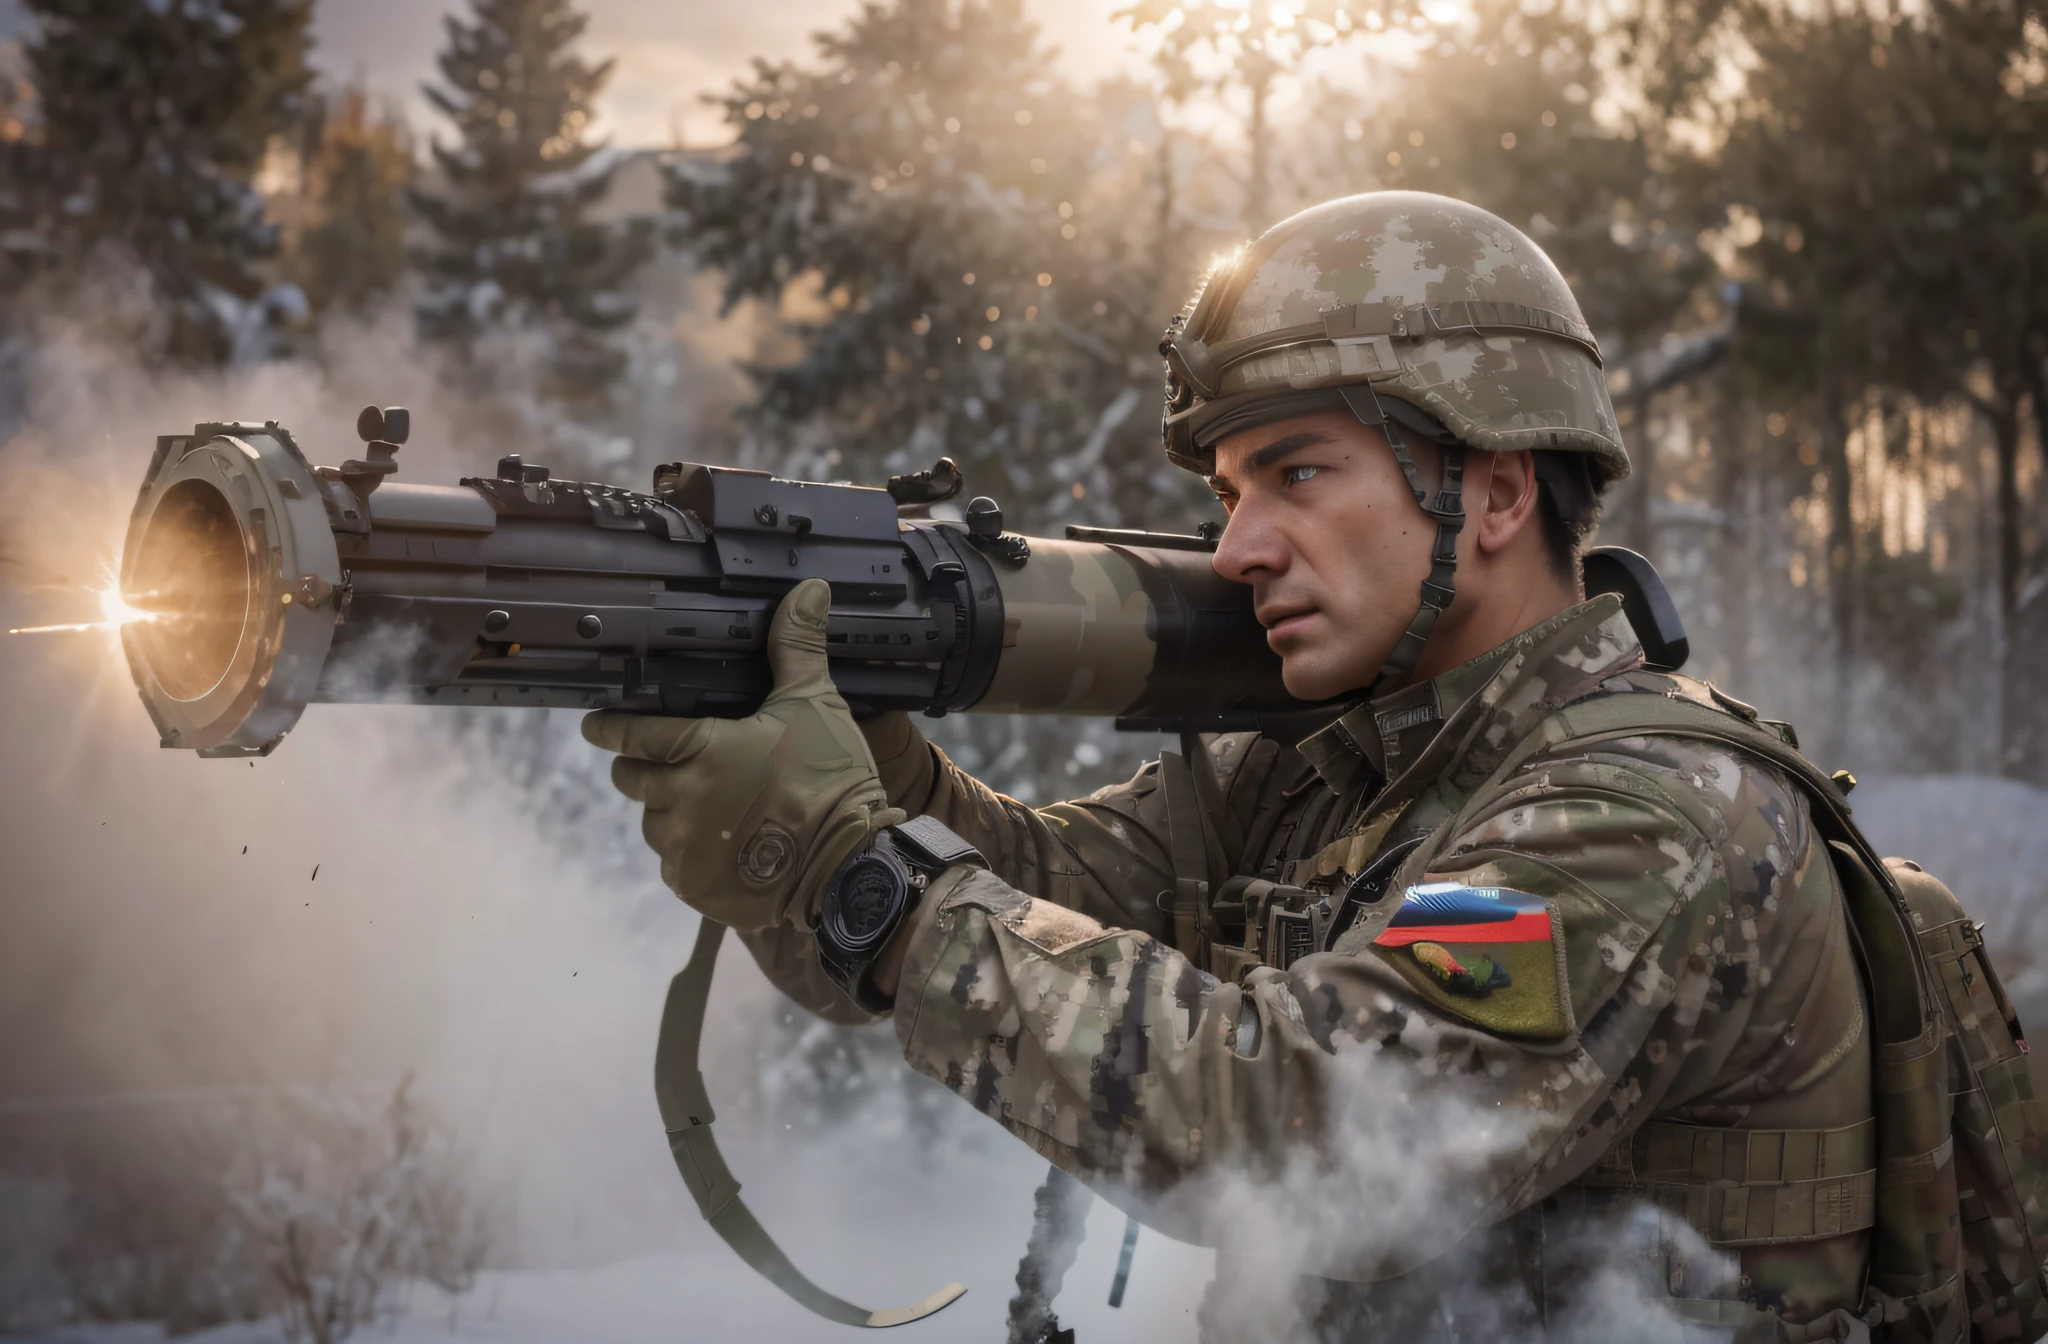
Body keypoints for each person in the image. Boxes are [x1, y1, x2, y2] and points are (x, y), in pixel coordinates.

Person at [583, 193, 1875, 1341]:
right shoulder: (1328, 773)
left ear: (1494, 493)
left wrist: (861, 869)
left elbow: (1296, 1138)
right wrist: (870, 789)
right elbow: (1042, 884)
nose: (1240, 545)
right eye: (1231, 490)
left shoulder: (1647, 816)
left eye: (1297, 475)